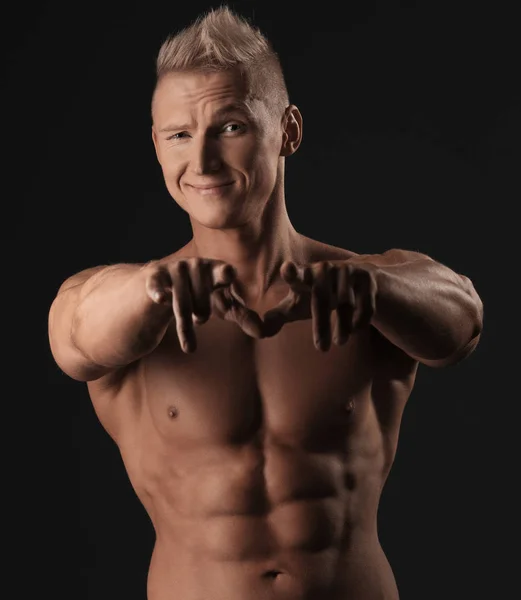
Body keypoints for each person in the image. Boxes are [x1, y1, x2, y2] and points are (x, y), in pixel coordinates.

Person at [48, 6, 484, 600]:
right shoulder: (120, 300)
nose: (200, 162)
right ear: (156, 147)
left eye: (229, 127)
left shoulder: (363, 289)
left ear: (289, 130)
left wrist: (372, 289)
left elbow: (462, 322)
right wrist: (151, 291)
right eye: (179, 135)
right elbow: (73, 338)